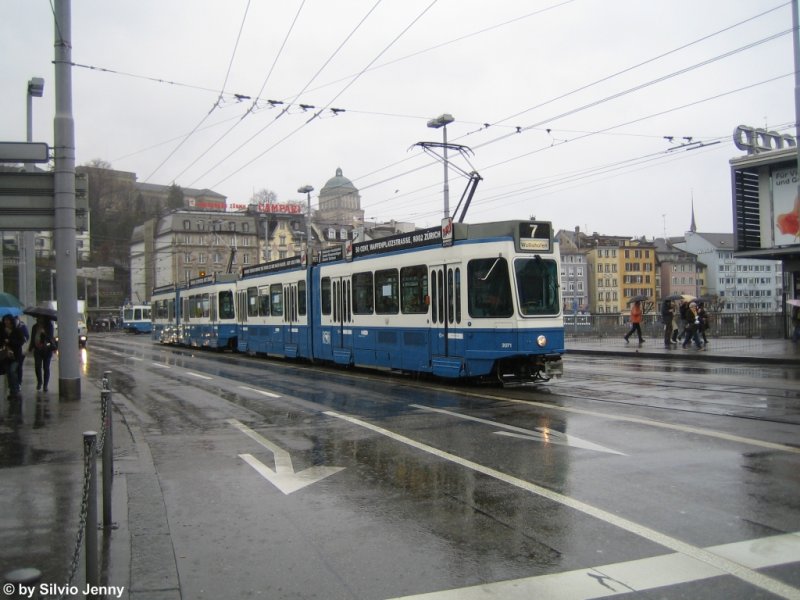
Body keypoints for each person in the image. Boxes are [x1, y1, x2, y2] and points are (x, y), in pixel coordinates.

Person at [0, 314, 26, 397]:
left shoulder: (17, 331)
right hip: (6, 356)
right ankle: (12, 390)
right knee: (8, 373)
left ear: (11, 321)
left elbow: (21, 342)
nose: (6, 322)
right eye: (5, 320)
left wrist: (10, 340)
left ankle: (16, 389)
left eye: (8, 320)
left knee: (12, 371)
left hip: (16, 356)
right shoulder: (2, 331)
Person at [28, 316, 56, 392]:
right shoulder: (35, 327)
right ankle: (39, 381)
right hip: (37, 349)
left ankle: (45, 385)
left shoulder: (49, 326)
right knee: (37, 366)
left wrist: (44, 333)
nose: (39, 320)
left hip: (47, 349)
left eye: (41, 318)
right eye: (38, 318)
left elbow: (50, 338)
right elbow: (33, 337)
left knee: (46, 368)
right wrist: (30, 348)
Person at [14, 316, 29, 384]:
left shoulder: (22, 327)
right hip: (14, 349)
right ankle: (16, 380)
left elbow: (26, 337)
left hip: (21, 349)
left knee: (19, 365)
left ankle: (19, 381)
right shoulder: (12, 327)